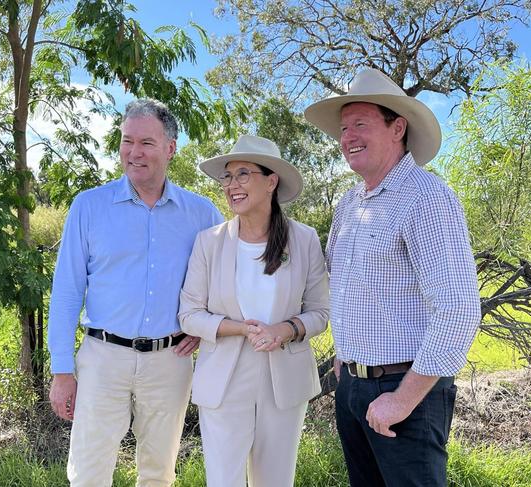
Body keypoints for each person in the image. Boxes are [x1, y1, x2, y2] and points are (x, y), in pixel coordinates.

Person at [304, 69, 481, 486]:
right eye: (344, 128)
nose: (348, 136)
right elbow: (344, 286)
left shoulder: (426, 197)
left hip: (407, 391)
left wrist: (402, 399)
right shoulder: (349, 203)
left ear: (397, 127)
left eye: (360, 124)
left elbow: (458, 308)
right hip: (353, 388)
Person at [47, 98, 223, 487]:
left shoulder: (202, 213)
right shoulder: (89, 207)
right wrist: (62, 370)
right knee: (89, 472)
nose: (134, 152)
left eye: (146, 142)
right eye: (127, 141)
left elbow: (226, 276)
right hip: (102, 358)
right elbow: (66, 291)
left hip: (170, 360)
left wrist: (204, 323)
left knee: (158, 472)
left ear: (170, 148)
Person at [178, 135, 329, 487]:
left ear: (271, 180)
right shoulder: (209, 241)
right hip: (224, 379)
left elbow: (320, 311)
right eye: (227, 177)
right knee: (223, 481)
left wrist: (285, 330)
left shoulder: (303, 239)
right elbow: (189, 315)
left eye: (243, 174)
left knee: (275, 481)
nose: (232, 185)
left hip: (284, 381)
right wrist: (240, 328)